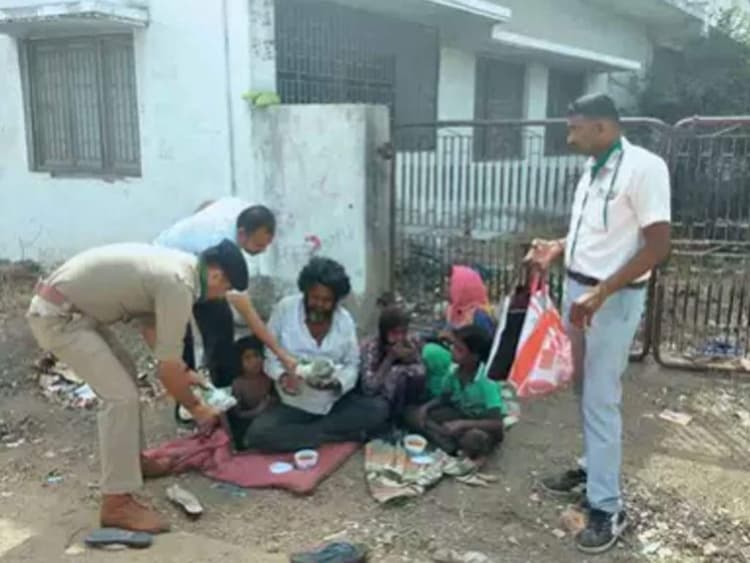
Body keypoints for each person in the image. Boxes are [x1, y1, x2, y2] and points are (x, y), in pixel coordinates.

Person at [526, 93, 671, 554]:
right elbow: (592, 232)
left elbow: (657, 246)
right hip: (581, 293)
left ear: (603, 127)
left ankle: (608, 506)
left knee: (601, 397)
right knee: (583, 387)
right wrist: (557, 248)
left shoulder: (644, 168)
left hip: (612, 298)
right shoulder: (593, 168)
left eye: (575, 129)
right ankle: (592, 469)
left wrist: (604, 290)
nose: (569, 138)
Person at [26, 240, 248, 533]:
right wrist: (197, 408)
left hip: (76, 313)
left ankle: (133, 462)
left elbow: (153, 331)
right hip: (60, 318)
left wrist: (184, 372)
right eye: (226, 289)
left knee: (126, 374)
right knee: (120, 397)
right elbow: (167, 370)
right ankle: (116, 503)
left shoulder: (182, 269)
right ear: (217, 275)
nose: (222, 296)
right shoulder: (180, 284)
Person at [243, 257, 389, 452]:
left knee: (379, 409)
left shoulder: (344, 321)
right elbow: (270, 356)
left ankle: (312, 434)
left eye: (326, 300)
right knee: (257, 435)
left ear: (336, 300)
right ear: (305, 292)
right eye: (314, 297)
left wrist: (337, 384)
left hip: (332, 403)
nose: (319, 304)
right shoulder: (285, 310)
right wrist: (283, 377)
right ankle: (332, 434)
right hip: (293, 403)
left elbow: (352, 364)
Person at [154, 198, 296, 388]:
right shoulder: (216, 242)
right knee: (180, 340)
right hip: (166, 267)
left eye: (267, 244)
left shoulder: (243, 209)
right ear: (242, 234)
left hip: (196, 265)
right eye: (258, 245)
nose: (263, 251)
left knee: (221, 326)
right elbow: (249, 314)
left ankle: (222, 387)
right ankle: (188, 395)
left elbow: (207, 204)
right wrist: (281, 354)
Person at [406, 325, 504, 460]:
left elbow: (497, 424)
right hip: (460, 414)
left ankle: (447, 441)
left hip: (480, 425)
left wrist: (462, 424)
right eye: (454, 346)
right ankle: (449, 443)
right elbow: (444, 398)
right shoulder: (454, 371)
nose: (452, 350)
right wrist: (425, 408)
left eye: (459, 350)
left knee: (474, 438)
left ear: (474, 357)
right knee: (411, 414)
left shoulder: (487, 381)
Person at [360, 305, 425, 419]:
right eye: (394, 333)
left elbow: (421, 372)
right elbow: (369, 388)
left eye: (403, 332)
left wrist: (411, 359)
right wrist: (390, 359)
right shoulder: (371, 347)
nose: (399, 338)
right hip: (376, 399)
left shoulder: (410, 342)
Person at [230, 336, 274, 420]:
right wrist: (258, 410)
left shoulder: (268, 375)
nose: (254, 361)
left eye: (256, 355)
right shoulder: (238, 384)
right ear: (239, 362)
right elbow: (237, 414)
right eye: (247, 358)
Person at [445, 265, 496, 335]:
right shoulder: (453, 310)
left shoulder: (479, 316)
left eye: (450, 284)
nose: (448, 289)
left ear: (463, 288)